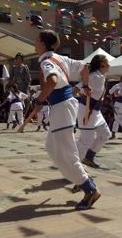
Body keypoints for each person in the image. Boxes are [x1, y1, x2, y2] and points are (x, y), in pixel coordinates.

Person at [22, 30, 100, 210]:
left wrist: (40, 100)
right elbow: (85, 67)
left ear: (42, 43)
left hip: (62, 106)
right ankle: (81, 178)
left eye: (36, 40)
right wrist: (86, 85)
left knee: (66, 152)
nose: (34, 43)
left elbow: (52, 80)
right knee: (52, 147)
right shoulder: (60, 58)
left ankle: (89, 188)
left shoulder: (46, 61)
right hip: (63, 106)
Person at [75, 55, 112, 169]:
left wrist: (83, 92)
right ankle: (74, 166)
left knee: (105, 134)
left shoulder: (97, 76)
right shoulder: (96, 76)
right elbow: (75, 90)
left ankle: (89, 157)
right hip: (88, 111)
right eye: (107, 62)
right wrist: (83, 95)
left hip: (95, 111)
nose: (109, 65)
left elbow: (77, 89)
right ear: (102, 64)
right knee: (86, 140)